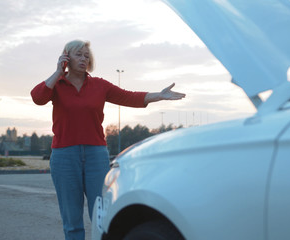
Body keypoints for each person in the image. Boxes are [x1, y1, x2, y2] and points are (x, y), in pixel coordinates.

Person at [30, 39, 185, 240]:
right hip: (64, 156)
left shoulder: (99, 85)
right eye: (78, 54)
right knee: (72, 219)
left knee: (102, 215)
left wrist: (160, 95)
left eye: (87, 56)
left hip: (96, 155)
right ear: (66, 57)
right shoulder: (56, 85)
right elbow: (37, 97)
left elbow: (129, 97)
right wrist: (58, 72)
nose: (84, 59)